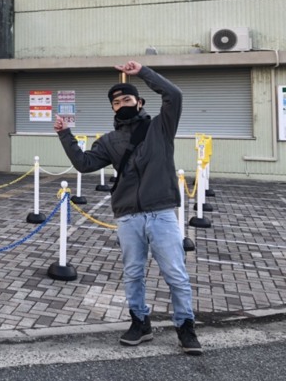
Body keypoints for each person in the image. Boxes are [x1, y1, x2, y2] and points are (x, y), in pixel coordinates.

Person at [53, 61, 201, 356]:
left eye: (127, 99)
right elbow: (84, 164)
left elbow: (174, 95)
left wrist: (143, 72)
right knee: (133, 274)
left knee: (175, 274)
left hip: (161, 213)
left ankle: (185, 327)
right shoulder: (108, 141)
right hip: (128, 216)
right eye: (116, 102)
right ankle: (140, 323)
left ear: (140, 102)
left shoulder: (161, 127)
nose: (122, 105)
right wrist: (65, 134)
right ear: (112, 109)